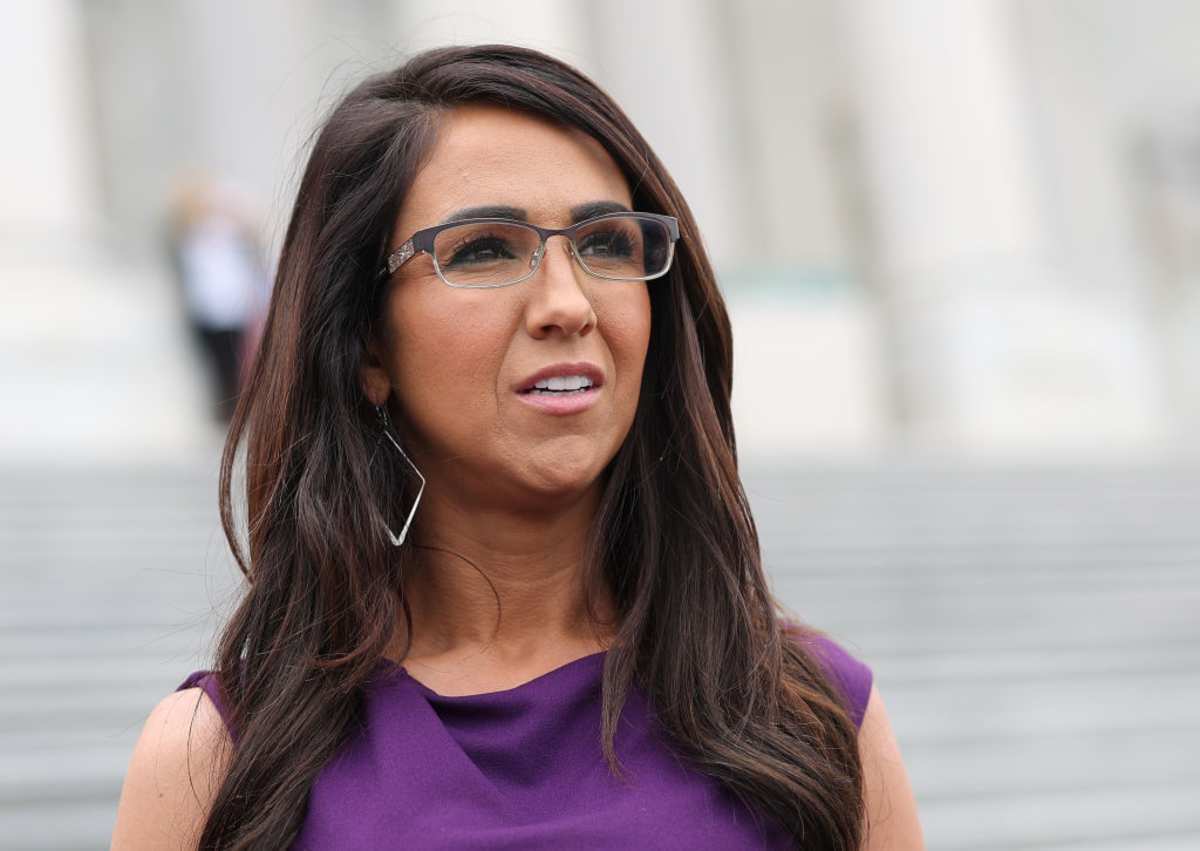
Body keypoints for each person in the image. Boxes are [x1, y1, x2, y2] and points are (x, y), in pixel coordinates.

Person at [112, 45, 923, 850]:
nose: (567, 305)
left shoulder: (813, 719)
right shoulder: (216, 763)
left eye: (606, 243)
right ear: (366, 345)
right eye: (484, 249)